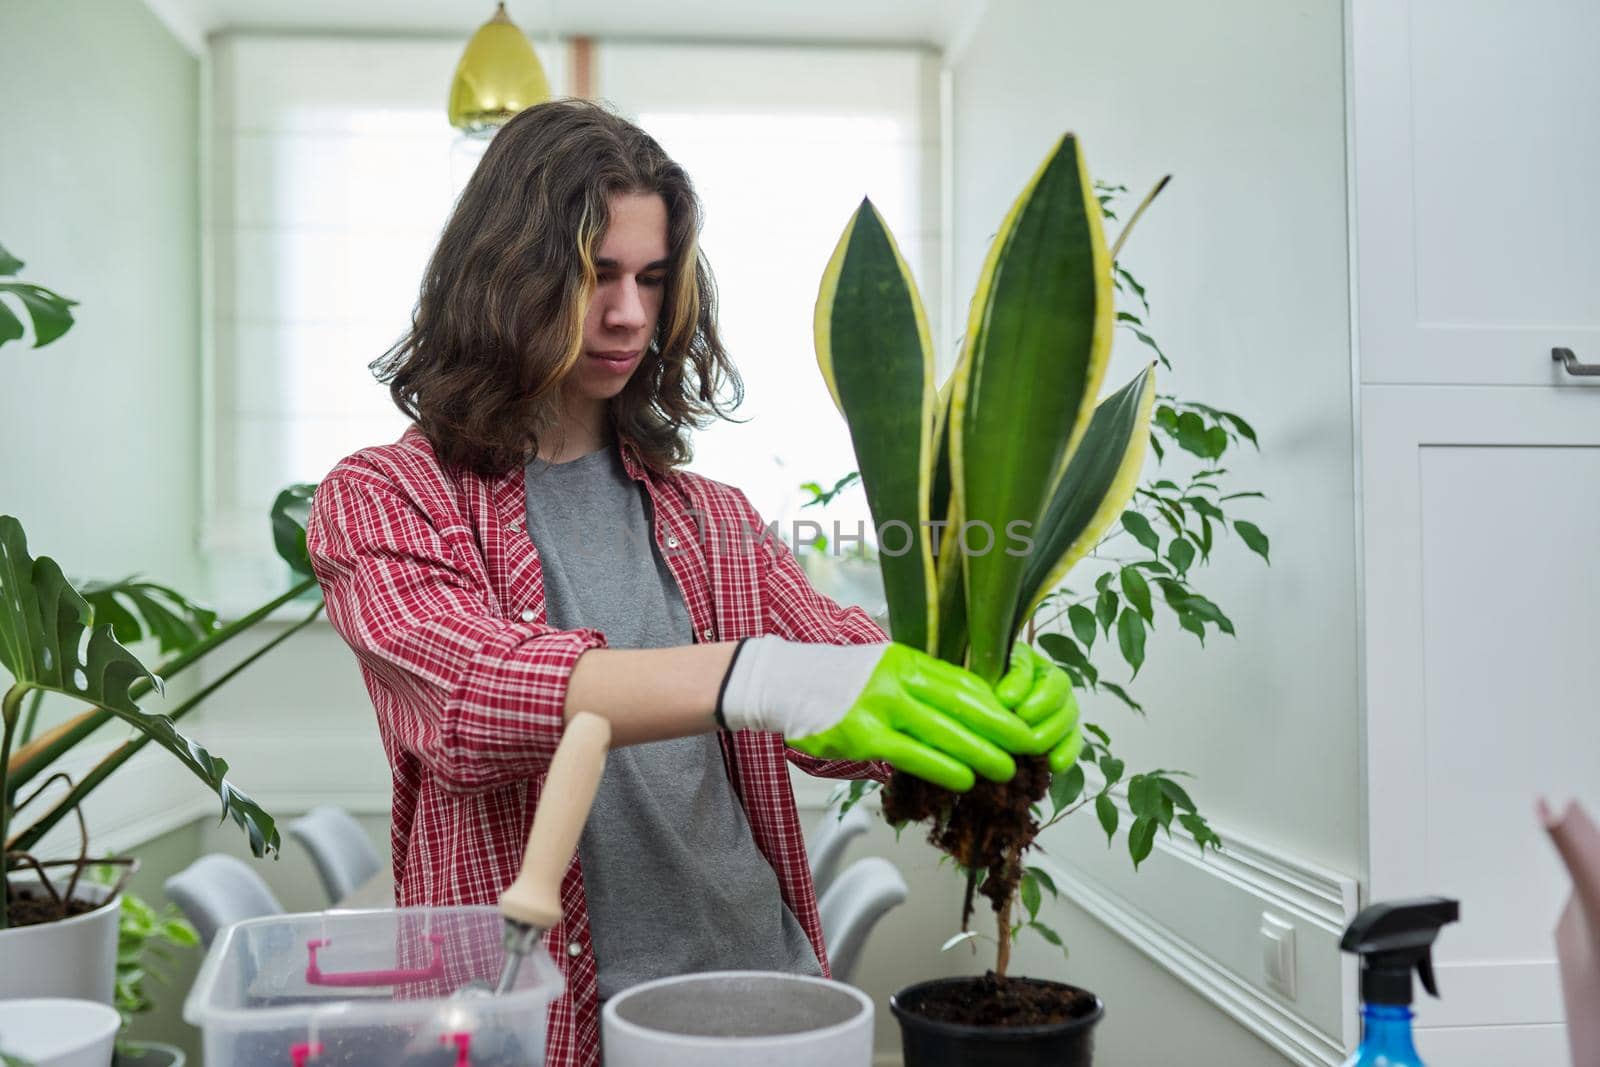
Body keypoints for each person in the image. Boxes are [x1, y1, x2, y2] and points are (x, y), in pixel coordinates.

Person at [303, 98, 1080, 1067]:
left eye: (653, 279)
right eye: (593, 275)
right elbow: (471, 697)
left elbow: (840, 680)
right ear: (500, 277)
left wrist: (973, 686)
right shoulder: (386, 495)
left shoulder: (711, 517)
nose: (628, 313)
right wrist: (755, 676)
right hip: (542, 1021)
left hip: (759, 988)